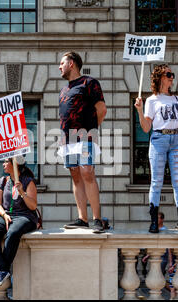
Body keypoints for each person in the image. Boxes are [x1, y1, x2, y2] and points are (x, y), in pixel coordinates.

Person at [134, 64, 178, 234]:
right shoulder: (152, 100)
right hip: (159, 139)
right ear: (160, 77)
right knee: (156, 182)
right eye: (169, 74)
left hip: (177, 140)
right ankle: (154, 222)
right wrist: (139, 110)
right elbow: (146, 128)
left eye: (172, 74)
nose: (172, 77)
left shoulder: (176, 100)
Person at [58, 51, 107, 234]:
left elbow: (101, 110)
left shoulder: (89, 83)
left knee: (87, 172)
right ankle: (82, 219)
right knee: (76, 176)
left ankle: (97, 219)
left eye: (62, 63)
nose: (59, 66)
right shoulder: (63, 90)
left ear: (72, 63)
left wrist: (91, 129)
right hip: (68, 139)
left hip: (86, 136)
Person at [0, 156, 38, 290]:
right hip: (5, 215)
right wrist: (3, 214)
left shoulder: (28, 181)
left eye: (6, 162)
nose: (3, 164)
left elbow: (32, 206)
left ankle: (0, 271)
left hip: (24, 216)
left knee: (14, 232)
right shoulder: (3, 181)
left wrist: (22, 192)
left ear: (15, 164)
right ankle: (2, 271)